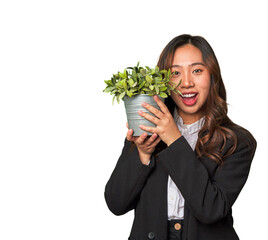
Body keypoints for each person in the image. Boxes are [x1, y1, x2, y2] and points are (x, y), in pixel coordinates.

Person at [104, 34, 257, 240]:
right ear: (162, 81)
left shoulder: (237, 142)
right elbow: (116, 203)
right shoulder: (147, 132)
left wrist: (174, 140)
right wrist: (142, 154)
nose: (186, 82)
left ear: (212, 76)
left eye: (197, 70)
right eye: (175, 72)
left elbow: (210, 209)